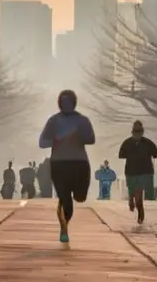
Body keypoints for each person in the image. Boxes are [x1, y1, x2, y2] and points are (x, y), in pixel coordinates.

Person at [39, 89, 96, 243]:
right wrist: (55, 140)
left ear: (74, 103)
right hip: (59, 163)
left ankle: (65, 209)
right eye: (63, 102)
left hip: (79, 163)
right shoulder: (53, 121)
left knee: (80, 197)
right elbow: (42, 142)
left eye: (69, 102)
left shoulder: (82, 120)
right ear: (59, 103)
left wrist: (79, 136)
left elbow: (91, 139)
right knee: (66, 199)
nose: (66, 105)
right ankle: (64, 226)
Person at [118, 120, 157, 224]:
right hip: (132, 172)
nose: (137, 134)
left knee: (138, 193)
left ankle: (140, 211)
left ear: (142, 132)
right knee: (132, 190)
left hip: (141, 172)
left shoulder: (146, 143)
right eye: (136, 132)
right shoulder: (129, 143)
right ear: (133, 132)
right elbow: (121, 155)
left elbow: (156, 153)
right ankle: (131, 200)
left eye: (139, 132)